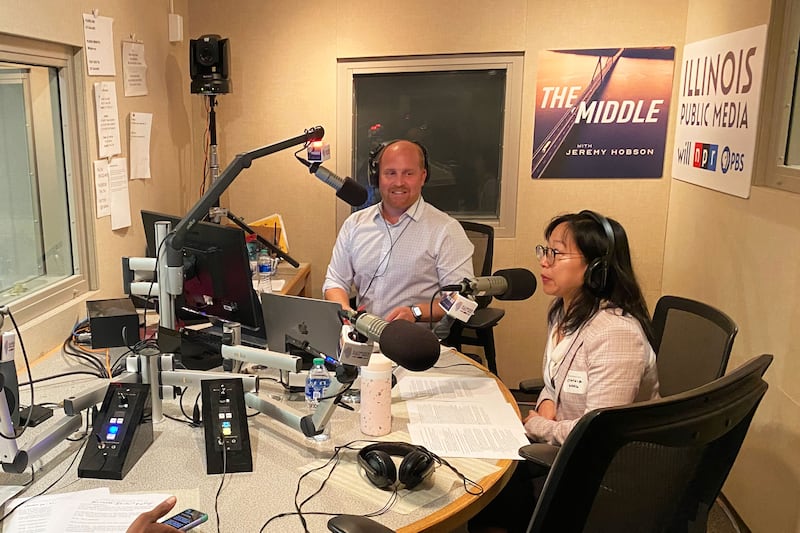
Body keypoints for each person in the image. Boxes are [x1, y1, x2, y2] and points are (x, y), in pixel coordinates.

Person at [469, 210, 659, 533]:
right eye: (544, 250)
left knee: (494, 497)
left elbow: (596, 434)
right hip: (562, 453)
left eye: (556, 253)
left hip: (601, 476)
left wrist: (540, 424)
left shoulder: (615, 334)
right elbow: (555, 381)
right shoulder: (563, 311)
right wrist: (545, 400)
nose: (544, 261)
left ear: (596, 267)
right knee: (483, 475)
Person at [323, 139, 474, 325]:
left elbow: (463, 303)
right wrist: (345, 311)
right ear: (377, 177)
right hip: (362, 338)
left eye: (408, 173)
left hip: (414, 344)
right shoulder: (354, 224)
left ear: (423, 176)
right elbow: (335, 281)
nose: (399, 182)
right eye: (390, 173)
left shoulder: (446, 230)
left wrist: (416, 312)